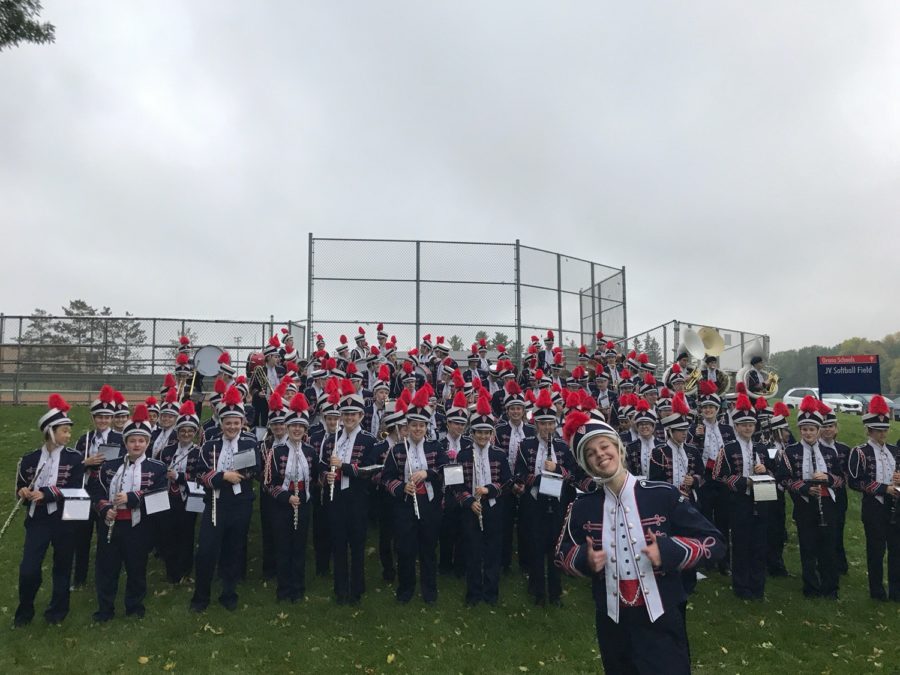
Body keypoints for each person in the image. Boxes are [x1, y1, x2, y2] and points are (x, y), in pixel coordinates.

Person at [555, 410, 725, 674]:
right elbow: (561, 553)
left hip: (662, 615)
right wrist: (584, 560)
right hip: (612, 620)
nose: (600, 454)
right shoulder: (581, 506)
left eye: (604, 446)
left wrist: (668, 550)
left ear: (618, 449)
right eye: (590, 453)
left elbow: (714, 541)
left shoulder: (661, 494)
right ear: (586, 464)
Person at [88, 404, 166, 622]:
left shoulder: (157, 468)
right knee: (107, 568)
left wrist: (132, 498)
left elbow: (160, 495)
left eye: (141, 440)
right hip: (111, 525)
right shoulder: (109, 466)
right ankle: (105, 608)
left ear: (148, 443)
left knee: (136, 567)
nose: (137, 444)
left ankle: (134, 606)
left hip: (139, 527)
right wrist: (103, 508)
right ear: (125, 443)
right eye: (132, 440)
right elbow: (95, 489)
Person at [14, 395, 85, 627]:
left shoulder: (75, 458)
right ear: (50, 432)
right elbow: (20, 485)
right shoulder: (29, 459)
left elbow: (77, 489)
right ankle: (24, 612)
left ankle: (57, 612)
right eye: (64, 431)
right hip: (38, 520)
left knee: (63, 566)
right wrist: (23, 492)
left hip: (65, 519)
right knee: (29, 569)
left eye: (68, 431)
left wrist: (47, 493)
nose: (68, 435)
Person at [190, 385, 260, 612]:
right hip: (214, 503)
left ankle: (229, 594)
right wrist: (223, 476)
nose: (232, 426)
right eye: (228, 422)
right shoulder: (210, 444)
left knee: (233, 550)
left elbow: (254, 469)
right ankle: (201, 597)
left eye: (236, 422)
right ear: (221, 423)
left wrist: (236, 475)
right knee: (206, 551)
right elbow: (200, 473)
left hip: (240, 504)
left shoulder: (250, 442)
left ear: (242, 423)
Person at [381, 386, 449, 604]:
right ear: (407, 427)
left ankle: (429, 590)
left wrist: (427, 473)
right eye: (414, 425)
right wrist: (401, 487)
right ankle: (406, 589)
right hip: (405, 505)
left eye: (421, 425)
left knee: (429, 549)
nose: (418, 429)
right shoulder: (398, 450)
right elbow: (386, 478)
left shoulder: (436, 447)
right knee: (405, 550)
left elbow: (446, 471)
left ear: (426, 427)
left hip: (429, 504)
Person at [515, 389, 582, 606]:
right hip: (534, 502)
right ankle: (537, 590)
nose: (547, 428)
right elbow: (519, 473)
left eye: (550, 423)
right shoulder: (525, 446)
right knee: (535, 546)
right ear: (536, 425)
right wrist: (540, 480)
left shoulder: (563, 447)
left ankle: (555, 590)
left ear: (555, 424)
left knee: (555, 547)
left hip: (557, 502)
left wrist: (557, 469)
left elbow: (573, 474)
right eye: (542, 424)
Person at [320, 379, 378, 605]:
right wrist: (327, 475)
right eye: (346, 414)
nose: (349, 418)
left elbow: (369, 471)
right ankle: (340, 588)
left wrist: (343, 467)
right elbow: (324, 468)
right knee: (338, 543)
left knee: (357, 544)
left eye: (354, 415)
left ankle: (357, 587)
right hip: (337, 499)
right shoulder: (332, 440)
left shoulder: (368, 440)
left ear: (361, 416)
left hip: (358, 499)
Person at [776, 396, 842, 599]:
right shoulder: (790, 451)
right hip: (805, 505)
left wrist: (828, 477)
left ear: (818, 430)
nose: (808, 433)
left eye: (812, 429)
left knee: (828, 546)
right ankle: (811, 587)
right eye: (804, 429)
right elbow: (783, 479)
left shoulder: (829, 452)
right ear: (800, 431)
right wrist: (804, 488)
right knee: (807, 546)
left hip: (827, 504)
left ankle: (830, 587)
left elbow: (841, 479)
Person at [452, 391, 511, 606]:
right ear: (472, 432)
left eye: (487, 433)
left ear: (491, 433)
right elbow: (455, 485)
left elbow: (507, 482)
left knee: (493, 551)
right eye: (479, 433)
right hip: (471, 509)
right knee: (473, 552)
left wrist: (489, 490)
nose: (483, 437)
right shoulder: (463, 455)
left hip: (493, 508)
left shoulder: (499, 454)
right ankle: (474, 592)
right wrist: (469, 500)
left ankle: (491, 592)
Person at [713, 393, 773, 599]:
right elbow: (718, 475)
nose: (748, 428)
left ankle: (758, 585)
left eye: (751, 424)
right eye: (743, 425)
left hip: (762, 499)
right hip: (740, 500)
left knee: (759, 544)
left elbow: (776, 473)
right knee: (740, 543)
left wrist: (765, 469)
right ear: (736, 427)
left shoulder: (762, 447)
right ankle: (741, 586)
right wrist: (741, 482)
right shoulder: (727, 448)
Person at [650, 392, 705, 599]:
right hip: (668, 504)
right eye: (680, 431)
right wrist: (672, 491)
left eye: (685, 430)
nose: (684, 434)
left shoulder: (692, 451)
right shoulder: (659, 452)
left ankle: (690, 580)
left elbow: (702, 474)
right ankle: (671, 578)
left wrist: (695, 481)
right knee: (671, 540)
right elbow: (654, 480)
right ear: (670, 431)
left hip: (690, 502)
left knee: (690, 539)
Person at [265, 393, 317, 602]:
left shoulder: (311, 451)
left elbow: (315, 477)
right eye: (293, 426)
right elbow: (269, 483)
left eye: (300, 427)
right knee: (283, 546)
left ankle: (298, 587)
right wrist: (286, 497)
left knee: (299, 546)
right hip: (283, 505)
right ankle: (284, 588)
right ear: (287, 428)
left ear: (305, 430)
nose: (296, 429)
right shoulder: (275, 452)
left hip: (303, 503)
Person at [848, 395, 899, 601]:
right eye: (878, 430)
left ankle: (896, 592)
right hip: (874, 507)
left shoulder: (895, 451)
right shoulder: (859, 452)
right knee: (876, 551)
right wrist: (882, 489)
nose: (882, 434)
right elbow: (855, 481)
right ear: (868, 430)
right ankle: (877, 592)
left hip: (896, 507)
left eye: (885, 430)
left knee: (896, 551)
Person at [72, 384, 124, 589]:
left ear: (112, 418)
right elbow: (73, 466)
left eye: (107, 417)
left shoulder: (120, 439)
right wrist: (86, 463)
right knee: (81, 538)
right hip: (85, 492)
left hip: (106, 493)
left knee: (106, 537)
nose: (103, 420)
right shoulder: (84, 439)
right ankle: (79, 578)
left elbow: (124, 465)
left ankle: (104, 577)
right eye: (99, 417)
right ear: (93, 418)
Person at [690, 380, 735, 576]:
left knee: (724, 519)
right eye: (705, 407)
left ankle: (725, 560)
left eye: (712, 407)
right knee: (705, 519)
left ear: (718, 409)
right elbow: (691, 454)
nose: (708, 410)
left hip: (723, 479)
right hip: (705, 480)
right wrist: (697, 438)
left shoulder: (727, 429)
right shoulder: (695, 429)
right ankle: (707, 560)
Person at [157, 401, 202, 584]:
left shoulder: (199, 452)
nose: (186, 434)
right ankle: (171, 571)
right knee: (168, 534)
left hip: (188, 498)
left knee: (186, 535)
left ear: (195, 433)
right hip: (168, 497)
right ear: (177, 432)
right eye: (182, 430)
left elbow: (199, 476)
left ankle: (185, 570)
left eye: (190, 431)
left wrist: (179, 476)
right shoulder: (165, 451)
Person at [439, 391, 472, 577]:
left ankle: (460, 565)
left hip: (464, 490)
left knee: (463, 529)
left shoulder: (468, 442)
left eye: (462, 424)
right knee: (446, 530)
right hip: (445, 491)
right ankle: (444, 564)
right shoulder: (439, 443)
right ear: (448, 423)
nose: (458, 427)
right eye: (455, 423)